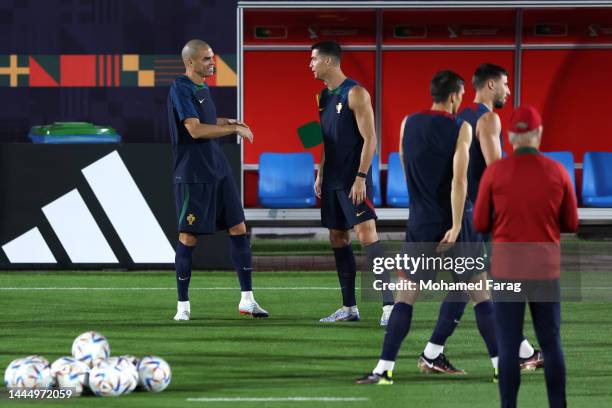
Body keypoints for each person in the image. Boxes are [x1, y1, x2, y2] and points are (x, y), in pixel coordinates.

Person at [356, 70, 498, 385]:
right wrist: (458, 222)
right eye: (460, 95)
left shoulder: (408, 123)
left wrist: (421, 207)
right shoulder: (462, 127)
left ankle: (383, 369)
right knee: (481, 294)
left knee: (406, 297)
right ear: (454, 96)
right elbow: (459, 180)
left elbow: (406, 164)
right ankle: (502, 367)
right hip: (455, 226)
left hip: (420, 223)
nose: (462, 100)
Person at [418, 64, 542, 379]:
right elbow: (497, 170)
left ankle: (436, 353)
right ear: (490, 85)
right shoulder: (488, 119)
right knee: (480, 284)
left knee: (471, 284)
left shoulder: (459, 119)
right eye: (505, 84)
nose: (508, 90)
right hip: (477, 214)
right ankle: (515, 354)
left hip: (458, 211)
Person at [474, 105, 578, 407]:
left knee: (508, 345)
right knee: (551, 342)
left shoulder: (495, 172)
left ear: (509, 136)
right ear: (539, 134)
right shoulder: (557, 171)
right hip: (545, 268)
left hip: (507, 269)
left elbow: (479, 222)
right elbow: (571, 223)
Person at [167, 39, 268, 321]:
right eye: (207, 59)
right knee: (188, 236)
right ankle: (183, 307)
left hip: (218, 170)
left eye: (212, 58)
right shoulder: (180, 88)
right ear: (190, 62)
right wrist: (233, 131)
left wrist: (229, 121)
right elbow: (196, 130)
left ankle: (247, 300)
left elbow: (208, 120)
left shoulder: (202, 88)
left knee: (238, 227)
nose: (213, 63)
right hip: (194, 174)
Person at [310, 41, 394, 325]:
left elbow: (371, 139)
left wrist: (361, 178)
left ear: (329, 62)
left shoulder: (356, 93)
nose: (310, 65)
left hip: (353, 178)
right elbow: (326, 139)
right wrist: (321, 172)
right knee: (338, 238)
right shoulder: (321, 97)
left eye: (314, 60)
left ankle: (389, 307)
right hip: (332, 178)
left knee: (367, 236)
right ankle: (349, 308)